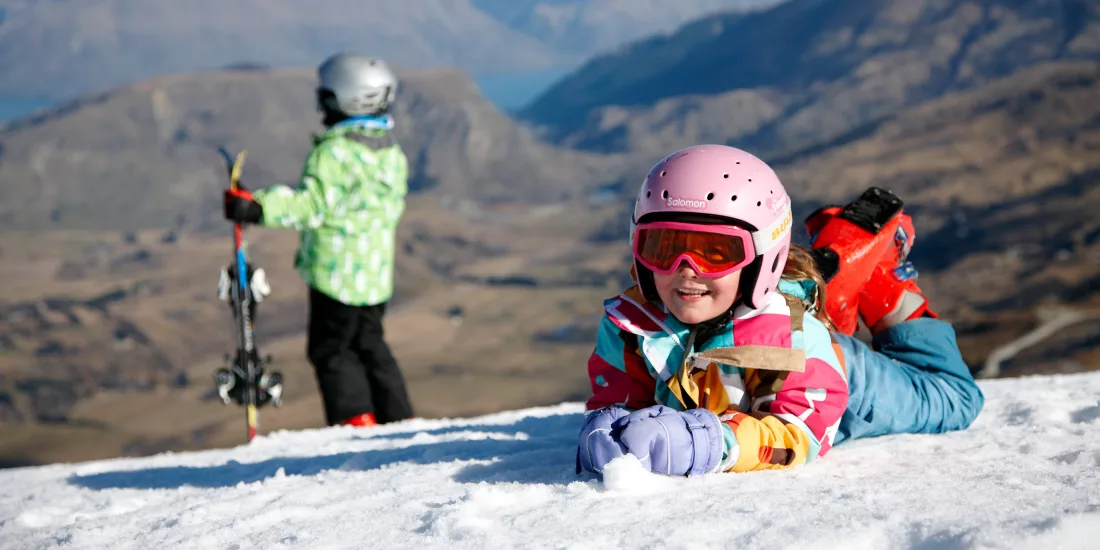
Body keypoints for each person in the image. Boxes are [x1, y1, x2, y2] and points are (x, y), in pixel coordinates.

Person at [577, 144, 983, 476]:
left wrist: (713, 442)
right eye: (663, 247)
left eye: (716, 252)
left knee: (952, 397)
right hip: (786, 334)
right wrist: (606, 429)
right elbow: (619, 399)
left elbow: (800, 434)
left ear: (760, 259)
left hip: (838, 383)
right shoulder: (630, 325)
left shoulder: (793, 338)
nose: (686, 272)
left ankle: (885, 278)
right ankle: (834, 275)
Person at [223, 52, 414, 428]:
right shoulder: (391, 153)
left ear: (346, 100)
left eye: (326, 97)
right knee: (371, 345)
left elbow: (311, 206)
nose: (320, 104)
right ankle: (400, 421)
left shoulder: (333, 153)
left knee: (332, 350)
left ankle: (355, 425)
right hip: (375, 278)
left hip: (337, 275)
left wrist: (256, 207)